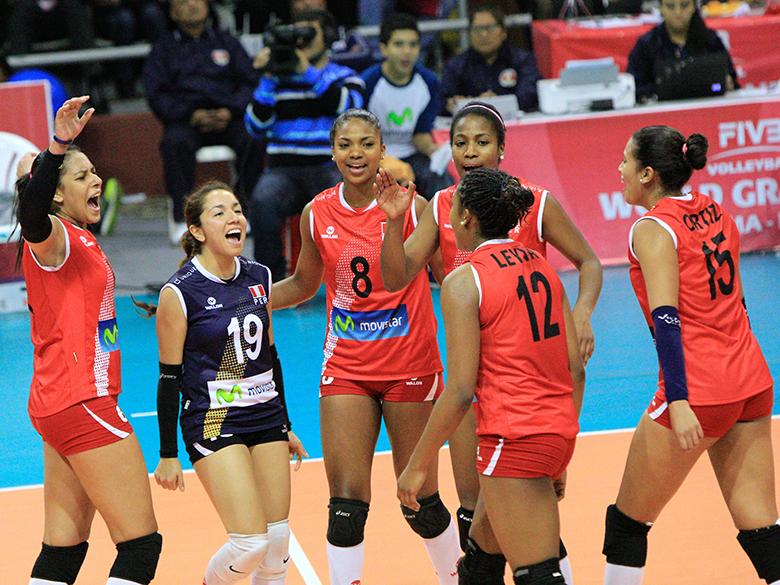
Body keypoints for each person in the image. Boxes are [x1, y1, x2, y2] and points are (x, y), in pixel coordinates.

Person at [378, 100, 601, 583]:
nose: (470, 151)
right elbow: (395, 277)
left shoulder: (531, 207)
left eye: (481, 142)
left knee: (524, 529)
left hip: (514, 394)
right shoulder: (448, 209)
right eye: (460, 142)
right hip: (517, 396)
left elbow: (589, 261)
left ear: (501, 148)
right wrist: (394, 223)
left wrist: (581, 317)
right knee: (481, 524)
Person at [269, 109, 461, 585]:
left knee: (420, 504)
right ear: (333, 152)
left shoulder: (413, 207)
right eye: (345, 145)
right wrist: (244, 299)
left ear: (382, 150)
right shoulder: (316, 213)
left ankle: (459, 577)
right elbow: (304, 284)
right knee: (345, 509)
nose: (356, 154)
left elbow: (450, 280)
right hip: (347, 367)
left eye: (366, 144)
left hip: (411, 365)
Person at [602, 126, 778, 585]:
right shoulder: (716, 209)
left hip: (699, 392)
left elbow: (667, 318)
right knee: (763, 530)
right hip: (752, 382)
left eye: (625, 161)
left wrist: (678, 401)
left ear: (647, 174)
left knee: (627, 525)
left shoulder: (652, 228)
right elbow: (739, 302)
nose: (619, 170)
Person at [14, 96, 162, 585]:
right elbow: (32, 214)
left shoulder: (81, 236)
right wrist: (58, 145)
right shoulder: (53, 235)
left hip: (59, 403)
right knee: (140, 546)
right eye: (82, 176)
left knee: (63, 550)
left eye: (94, 171)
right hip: (83, 400)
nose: (96, 180)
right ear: (56, 194)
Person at [137, 181, 307, 585]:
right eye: (220, 213)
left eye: (237, 210)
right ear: (196, 231)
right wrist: (167, 454)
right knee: (250, 543)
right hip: (214, 420)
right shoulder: (180, 292)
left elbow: (271, 357)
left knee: (277, 544)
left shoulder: (259, 276)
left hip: (265, 414)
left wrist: (285, 425)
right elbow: (169, 378)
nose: (234, 218)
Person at [245, 8, 365, 281]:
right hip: (282, 171)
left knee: (346, 197)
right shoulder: (275, 79)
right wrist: (267, 78)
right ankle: (273, 284)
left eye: (309, 32)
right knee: (262, 200)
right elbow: (255, 127)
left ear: (328, 36)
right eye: (297, 33)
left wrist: (308, 73)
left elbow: (350, 110)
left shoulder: (343, 75)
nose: (302, 40)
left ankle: (351, 278)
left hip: (330, 166)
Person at [143, 0, 261, 245]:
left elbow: (250, 82)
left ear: (207, 7)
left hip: (228, 116)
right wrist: (190, 114)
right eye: (183, 2)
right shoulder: (163, 49)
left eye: (197, 0)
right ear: (173, 13)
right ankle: (182, 217)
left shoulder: (227, 42)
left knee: (254, 137)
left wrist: (231, 110)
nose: (192, 6)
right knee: (174, 142)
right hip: (187, 120)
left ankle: (243, 210)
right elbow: (156, 94)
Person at [362, 13, 454, 200]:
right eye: (399, 44)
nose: (407, 51)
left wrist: (437, 152)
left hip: (413, 155)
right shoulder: (367, 82)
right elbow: (358, 136)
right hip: (373, 156)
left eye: (413, 45)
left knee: (442, 182)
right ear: (384, 49)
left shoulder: (429, 82)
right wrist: (382, 161)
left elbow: (420, 135)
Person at [626, 0, 739, 102]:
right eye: (670, 6)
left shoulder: (710, 40)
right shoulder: (646, 44)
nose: (678, 12)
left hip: (706, 108)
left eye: (684, 5)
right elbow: (632, 89)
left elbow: (732, 80)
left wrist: (728, 83)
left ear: (694, 6)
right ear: (661, 8)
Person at [440, 5, 541, 115]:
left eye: (489, 28)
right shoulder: (455, 66)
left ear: (503, 32)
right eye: (477, 29)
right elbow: (441, 100)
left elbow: (531, 95)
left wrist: (497, 101)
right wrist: (450, 104)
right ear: (469, 33)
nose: (483, 34)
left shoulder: (522, 60)